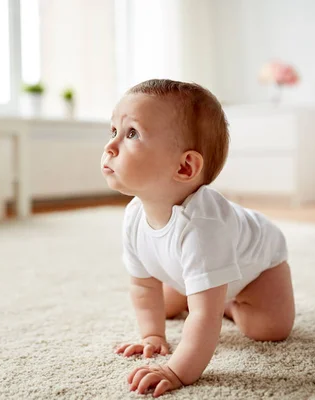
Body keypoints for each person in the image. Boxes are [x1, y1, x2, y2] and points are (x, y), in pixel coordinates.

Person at [101, 79, 295, 397]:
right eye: (114, 132)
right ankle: (208, 289)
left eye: (132, 133)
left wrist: (176, 370)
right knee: (160, 307)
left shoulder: (203, 229)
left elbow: (204, 319)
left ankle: (228, 302)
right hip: (188, 268)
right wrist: (152, 336)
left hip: (259, 265)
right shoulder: (134, 215)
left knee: (267, 329)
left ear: (185, 165)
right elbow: (143, 284)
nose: (111, 146)